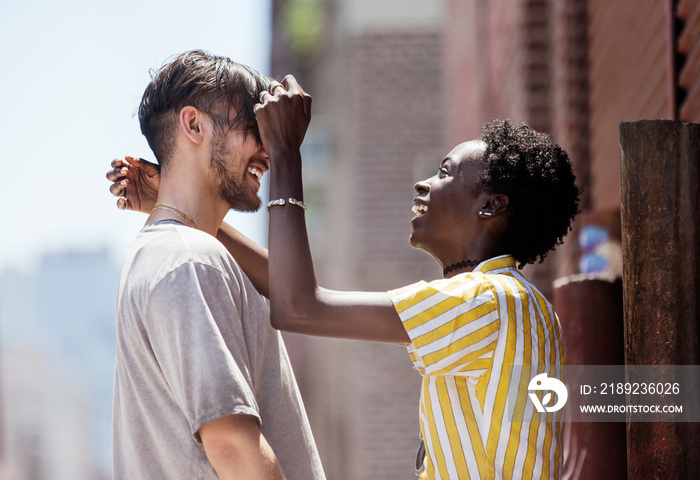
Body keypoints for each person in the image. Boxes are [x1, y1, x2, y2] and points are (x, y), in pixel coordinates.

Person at [109, 78, 579, 479]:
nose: (424, 184)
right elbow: (298, 293)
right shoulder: (514, 302)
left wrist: (288, 153)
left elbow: (299, 306)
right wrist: (183, 213)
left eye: (444, 172)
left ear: (490, 206)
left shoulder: (487, 301)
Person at [110, 51, 325, 480]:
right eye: (254, 123)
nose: (267, 147)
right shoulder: (190, 260)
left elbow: (294, 297)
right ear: (193, 125)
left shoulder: (174, 253)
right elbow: (233, 447)